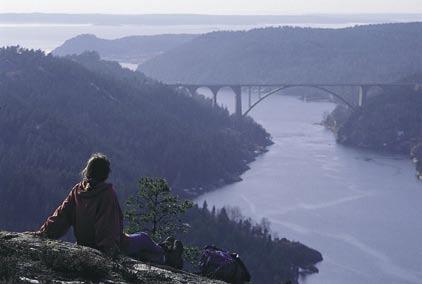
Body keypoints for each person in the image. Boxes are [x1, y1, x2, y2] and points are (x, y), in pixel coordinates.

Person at [36, 153, 183, 268]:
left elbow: (61, 215)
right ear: (106, 173)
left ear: (88, 171)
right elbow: (107, 224)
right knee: (143, 238)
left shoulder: (78, 191)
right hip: (105, 246)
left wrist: (44, 233)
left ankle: (164, 252)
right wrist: (107, 251)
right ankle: (166, 254)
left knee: (140, 249)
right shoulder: (106, 194)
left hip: (84, 243)